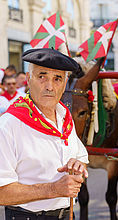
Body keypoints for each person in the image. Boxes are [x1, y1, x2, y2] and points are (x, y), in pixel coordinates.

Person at [0, 48, 89, 220]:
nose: (49, 86)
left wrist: (79, 166)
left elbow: (82, 159)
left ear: (64, 84)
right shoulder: (9, 125)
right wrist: (53, 189)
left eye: (57, 79)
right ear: (28, 79)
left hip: (67, 215)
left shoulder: (64, 117)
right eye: (42, 76)